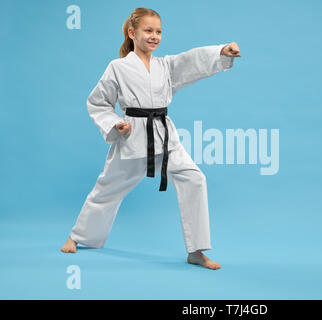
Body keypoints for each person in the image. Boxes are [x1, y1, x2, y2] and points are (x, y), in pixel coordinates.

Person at [60, 8, 241, 270]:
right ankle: (77, 236)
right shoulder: (118, 67)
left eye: (158, 31)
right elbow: (97, 102)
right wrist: (115, 124)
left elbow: (191, 61)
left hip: (163, 135)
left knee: (194, 178)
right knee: (107, 188)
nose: (154, 36)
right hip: (131, 137)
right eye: (148, 30)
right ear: (132, 33)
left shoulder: (164, 66)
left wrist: (220, 51)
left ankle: (196, 250)